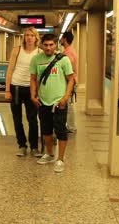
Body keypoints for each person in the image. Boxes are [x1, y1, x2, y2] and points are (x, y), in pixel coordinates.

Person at [30, 34, 74, 173]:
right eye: (46, 45)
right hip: (43, 101)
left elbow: (71, 79)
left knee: (60, 130)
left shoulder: (64, 60)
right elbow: (33, 79)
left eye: (51, 45)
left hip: (58, 101)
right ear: (41, 45)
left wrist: (65, 98)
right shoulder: (36, 59)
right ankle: (49, 154)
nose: (48, 48)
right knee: (46, 130)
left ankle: (60, 159)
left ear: (56, 45)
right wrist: (33, 95)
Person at [5, 27, 41, 157]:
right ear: (24, 37)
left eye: (32, 35)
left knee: (32, 119)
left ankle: (34, 147)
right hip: (16, 87)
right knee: (17, 118)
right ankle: (22, 145)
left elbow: (40, 73)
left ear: (36, 38)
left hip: (31, 89)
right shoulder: (17, 50)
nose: (29, 38)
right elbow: (10, 70)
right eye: (27, 35)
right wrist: (7, 89)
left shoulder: (39, 52)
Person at [61, 32, 78, 133]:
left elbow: (69, 69)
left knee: (69, 105)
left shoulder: (68, 53)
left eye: (62, 38)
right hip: (71, 81)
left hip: (70, 81)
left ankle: (71, 127)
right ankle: (70, 126)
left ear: (65, 39)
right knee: (69, 104)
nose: (61, 40)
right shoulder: (69, 50)